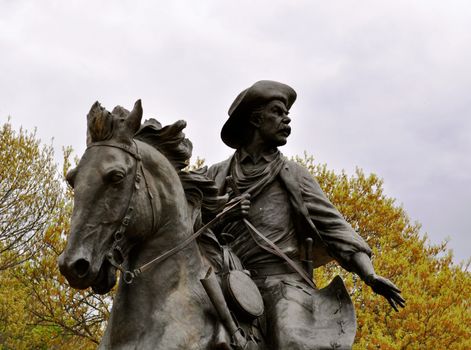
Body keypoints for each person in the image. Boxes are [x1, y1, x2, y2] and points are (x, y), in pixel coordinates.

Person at [206, 80, 405, 349]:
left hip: (282, 284)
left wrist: (369, 275)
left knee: (290, 338)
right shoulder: (214, 175)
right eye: (277, 112)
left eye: (287, 114)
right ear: (255, 119)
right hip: (226, 280)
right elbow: (186, 228)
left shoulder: (294, 176)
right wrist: (222, 215)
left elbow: (337, 230)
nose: (286, 119)